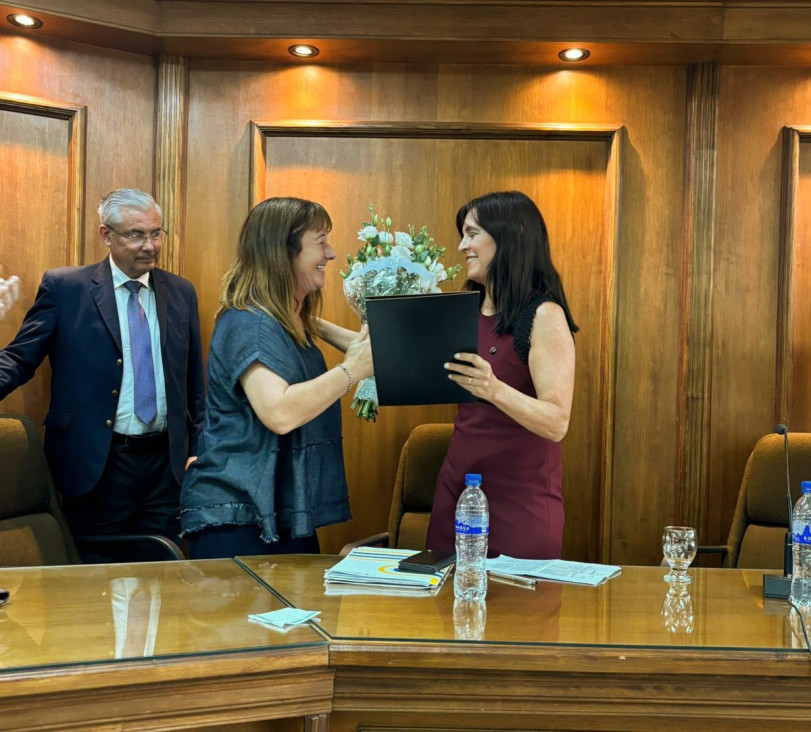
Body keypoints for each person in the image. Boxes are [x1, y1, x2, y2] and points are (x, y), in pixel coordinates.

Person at [0, 188, 205, 562]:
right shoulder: (66, 289)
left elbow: (195, 385)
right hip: (97, 463)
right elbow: (19, 359)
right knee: (95, 580)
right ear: (105, 235)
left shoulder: (181, 293)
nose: (150, 246)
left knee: (161, 574)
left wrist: (198, 452)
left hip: (166, 467)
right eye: (135, 235)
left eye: (156, 233)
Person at [180, 197, 373, 559]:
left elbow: (372, 353)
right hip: (238, 520)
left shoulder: (280, 320)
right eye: (320, 241)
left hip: (281, 513)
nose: (330, 253)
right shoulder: (249, 323)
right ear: (283, 251)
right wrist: (351, 371)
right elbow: (279, 412)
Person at [426, 191, 577, 560]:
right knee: (444, 615)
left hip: (520, 507)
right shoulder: (462, 310)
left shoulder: (543, 316)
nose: (463, 246)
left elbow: (556, 422)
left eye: (472, 234)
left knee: (519, 618)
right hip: (456, 500)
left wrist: (493, 389)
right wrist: (310, 326)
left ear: (509, 238)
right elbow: (389, 358)